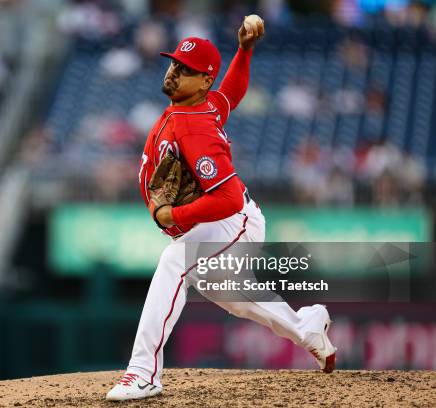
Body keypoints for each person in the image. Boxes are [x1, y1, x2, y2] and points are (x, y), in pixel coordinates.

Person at [106, 15, 337, 402]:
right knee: (240, 300)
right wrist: (245, 50)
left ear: (203, 81)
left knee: (174, 263)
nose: (175, 72)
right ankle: (308, 326)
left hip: (234, 222)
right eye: (175, 63)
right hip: (225, 224)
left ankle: (143, 373)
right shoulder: (203, 102)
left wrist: (173, 216)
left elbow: (227, 198)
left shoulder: (195, 126)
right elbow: (232, 91)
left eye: (187, 70)